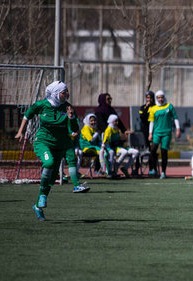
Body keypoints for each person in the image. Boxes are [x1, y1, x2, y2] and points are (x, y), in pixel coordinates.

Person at [15, 81, 90, 221]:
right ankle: (44, 196)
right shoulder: (42, 105)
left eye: (67, 91)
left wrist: (72, 117)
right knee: (48, 162)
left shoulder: (68, 107)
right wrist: (20, 131)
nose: (67, 94)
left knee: (51, 179)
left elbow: (74, 129)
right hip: (43, 142)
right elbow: (27, 115)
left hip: (60, 145)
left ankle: (37, 206)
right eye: (64, 92)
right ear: (56, 93)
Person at [95, 93, 134, 174]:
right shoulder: (99, 111)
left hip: (111, 135)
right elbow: (101, 124)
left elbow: (118, 121)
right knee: (103, 152)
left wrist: (124, 130)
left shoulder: (111, 109)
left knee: (113, 151)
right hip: (104, 134)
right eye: (108, 99)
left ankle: (112, 169)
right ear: (103, 100)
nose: (110, 100)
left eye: (110, 99)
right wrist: (109, 131)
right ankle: (100, 169)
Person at [148, 90, 181, 178]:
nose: (160, 99)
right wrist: (150, 133)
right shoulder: (153, 109)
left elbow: (175, 118)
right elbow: (151, 122)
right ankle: (152, 169)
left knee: (164, 152)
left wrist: (178, 129)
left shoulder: (169, 106)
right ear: (156, 98)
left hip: (166, 133)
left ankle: (163, 172)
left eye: (162, 97)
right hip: (156, 133)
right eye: (158, 97)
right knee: (153, 150)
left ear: (164, 97)